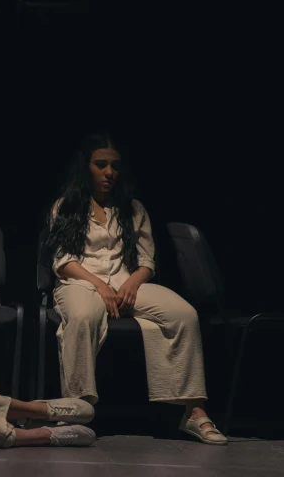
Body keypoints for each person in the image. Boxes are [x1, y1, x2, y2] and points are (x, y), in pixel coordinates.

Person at [43, 132, 227, 445]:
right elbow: (63, 261)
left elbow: (146, 261)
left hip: (127, 281)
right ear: (86, 167)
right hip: (81, 282)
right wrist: (100, 285)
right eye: (100, 165)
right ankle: (77, 409)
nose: (108, 172)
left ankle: (194, 411)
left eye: (114, 166)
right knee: (84, 315)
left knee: (184, 315)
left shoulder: (133, 208)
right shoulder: (67, 206)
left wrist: (131, 282)